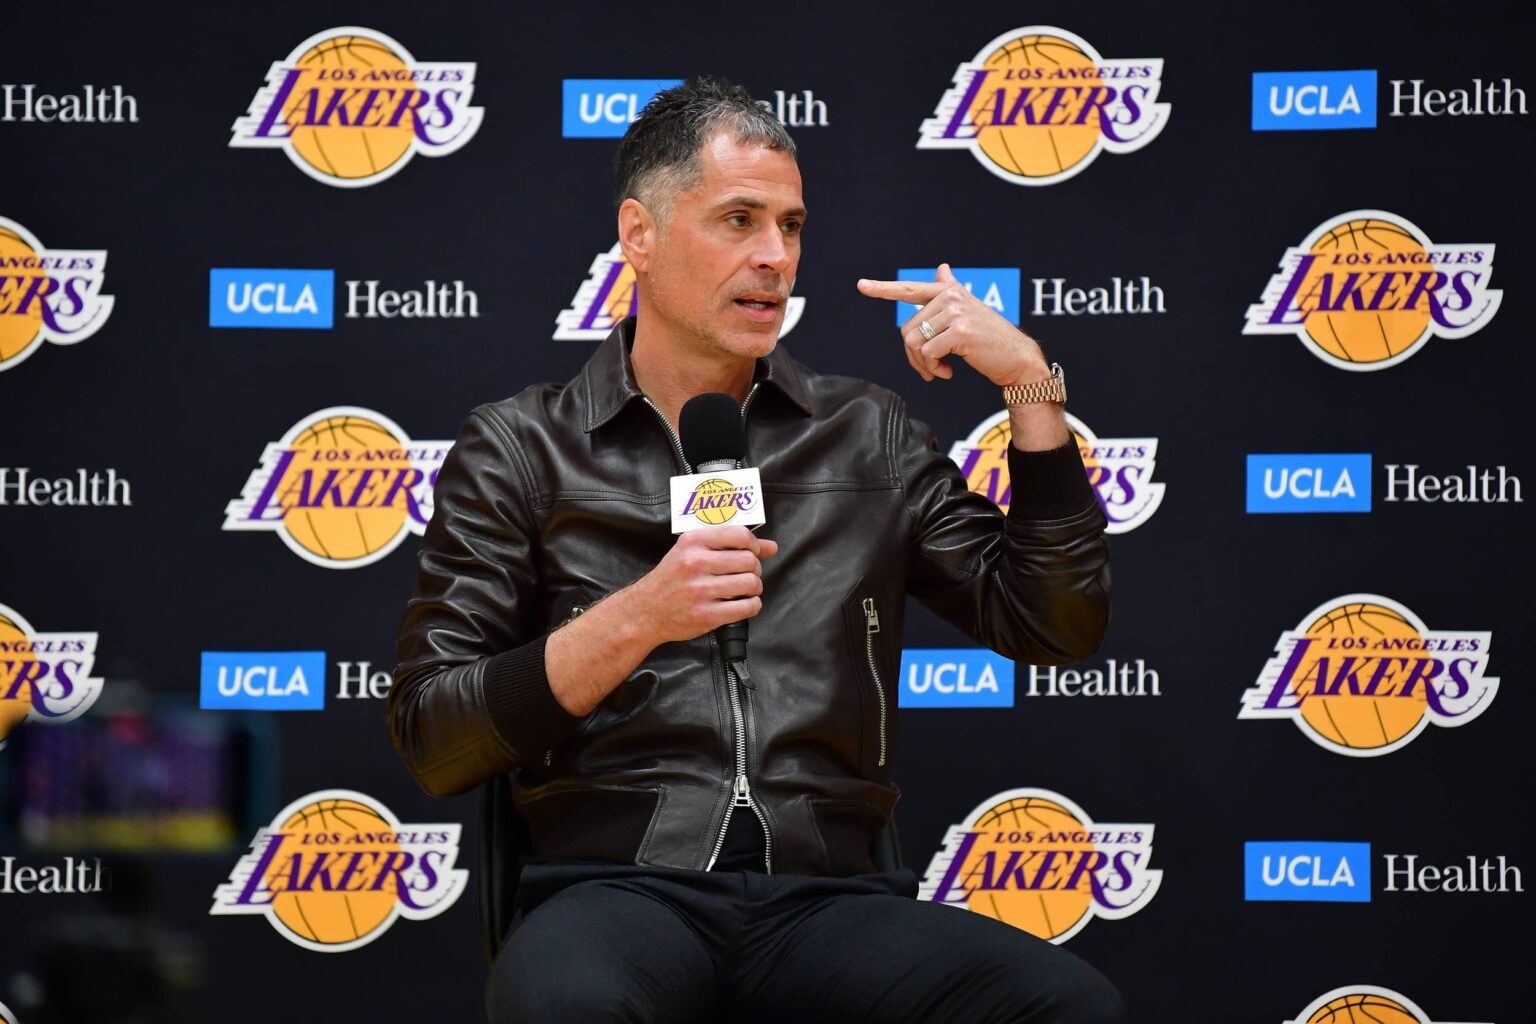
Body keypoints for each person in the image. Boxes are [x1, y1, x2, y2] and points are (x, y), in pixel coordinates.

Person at [390, 78, 1120, 1024]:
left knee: (1065, 1006)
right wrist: (641, 616)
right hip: (617, 891)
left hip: (828, 901)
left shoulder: (865, 433)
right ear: (639, 236)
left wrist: (1029, 388)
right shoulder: (525, 446)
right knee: (562, 1002)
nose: (775, 257)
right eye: (739, 220)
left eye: (792, 225)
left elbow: (1053, 624)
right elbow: (434, 738)